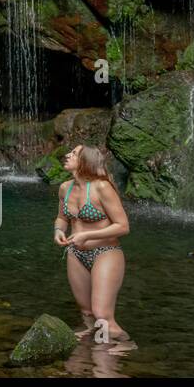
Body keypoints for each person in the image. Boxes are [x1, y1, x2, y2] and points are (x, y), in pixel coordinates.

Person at [53, 144, 132, 349]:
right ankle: (94, 351)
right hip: (75, 254)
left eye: (74, 153)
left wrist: (87, 235)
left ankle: (123, 349)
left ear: (86, 161)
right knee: (87, 313)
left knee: (103, 316)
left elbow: (123, 226)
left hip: (106, 253)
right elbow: (62, 218)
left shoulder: (102, 187)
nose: (67, 155)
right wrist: (58, 231)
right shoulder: (64, 188)